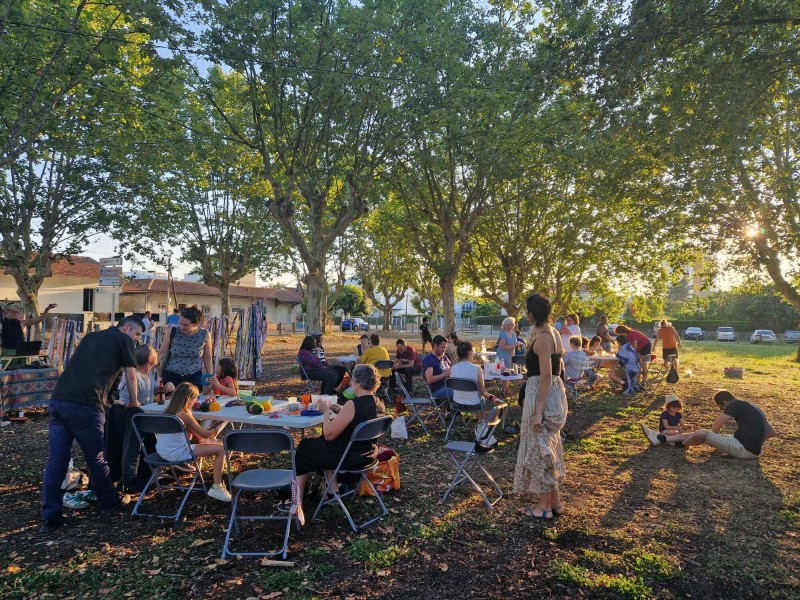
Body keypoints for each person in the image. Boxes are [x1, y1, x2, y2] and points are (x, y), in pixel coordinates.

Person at [40, 315, 144, 533]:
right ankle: (109, 503)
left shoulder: (91, 338)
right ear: (126, 328)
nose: (137, 340)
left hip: (59, 400)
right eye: (137, 334)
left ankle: (51, 517)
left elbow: (97, 371)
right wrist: (134, 402)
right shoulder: (123, 340)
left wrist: (110, 398)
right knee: (96, 457)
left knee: (57, 460)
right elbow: (131, 375)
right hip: (86, 406)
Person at [292, 364, 386, 511]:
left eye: (353, 381)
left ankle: (296, 500)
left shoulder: (353, 404)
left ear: (359, 383)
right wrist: (341, 411)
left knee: (305, 447)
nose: (351, 384)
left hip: (348, 458)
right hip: (368, 455)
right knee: (325, 444)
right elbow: (361, 416)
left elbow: (328, 435)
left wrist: (325, 412)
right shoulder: (379, 403)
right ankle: (332, 491)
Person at [514, 294, 568, 520]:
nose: (525, 314)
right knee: (547, 447)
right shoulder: (551, 332)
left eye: (527, 311)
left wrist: (538, 412)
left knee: (540, 449)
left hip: (542, 395)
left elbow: (546, 375)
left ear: (533, 313)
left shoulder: (545, 337)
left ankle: (543, 507)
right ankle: (555, 502)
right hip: (548, 392)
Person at [642, 390, 777, 459]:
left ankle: (674, 441)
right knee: (699, 434)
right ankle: (662, 438)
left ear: (724, 402)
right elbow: (771, 432)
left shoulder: (734, 404)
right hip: (749, 448)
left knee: (703, 433)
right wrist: (755, 440)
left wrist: (714, 439)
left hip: (742, 449)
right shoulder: (754, 406)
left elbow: (716, 426)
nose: (722, 410)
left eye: (721, 408)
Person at [157, 383, 231, 502]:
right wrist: (218, 427)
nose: (195, 401)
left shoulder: (165, 412)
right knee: (221, 449)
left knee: (206, 442)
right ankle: (217, 488)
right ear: (188, 399)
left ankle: (213, 482)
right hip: (178, 453)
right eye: (195, 398)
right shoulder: (184, 415)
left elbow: (194, 436)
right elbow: (204, 434)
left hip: (161, 451)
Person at [118, 346, 174, 496]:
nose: (157, 353)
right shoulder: (132, 377)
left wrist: (165, 389)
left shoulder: (149, 374)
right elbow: (124, 403)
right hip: (134, 422)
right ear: (150, 359)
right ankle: (132, 480)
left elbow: (155, 391)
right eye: (155, 352)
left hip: (147, 421)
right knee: (137, 449)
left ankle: (148, 477)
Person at [158, 306, 213, 391]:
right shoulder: (172, 331)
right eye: (180, 323)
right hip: (172, 376)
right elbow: (162, 352)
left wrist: (209, 377)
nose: (182, 327)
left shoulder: (204, 334)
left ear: (196, 324)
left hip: (194, 377)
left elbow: (207, 357)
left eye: (186, 325)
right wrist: (147, 369)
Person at [450, 341, 497, 418]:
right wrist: (493, 397)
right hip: (474, 405)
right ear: (469, 353)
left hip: (456, 404)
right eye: (473, 351)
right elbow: (482, 392)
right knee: (484, 402)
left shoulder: (453, 368)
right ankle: (482, 424)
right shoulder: (477, 369)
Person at [423, 335, 453, 402]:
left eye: (445, 347)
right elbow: (429, 379)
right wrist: (445, 374)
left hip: (449, 386)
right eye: (443, 347)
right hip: (438, 390)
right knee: (457, 393)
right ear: (435, 346)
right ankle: (453, 411)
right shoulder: (429, 359)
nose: (444, 349)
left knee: (465, 389)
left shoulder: (444, 356)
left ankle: (454, 411)